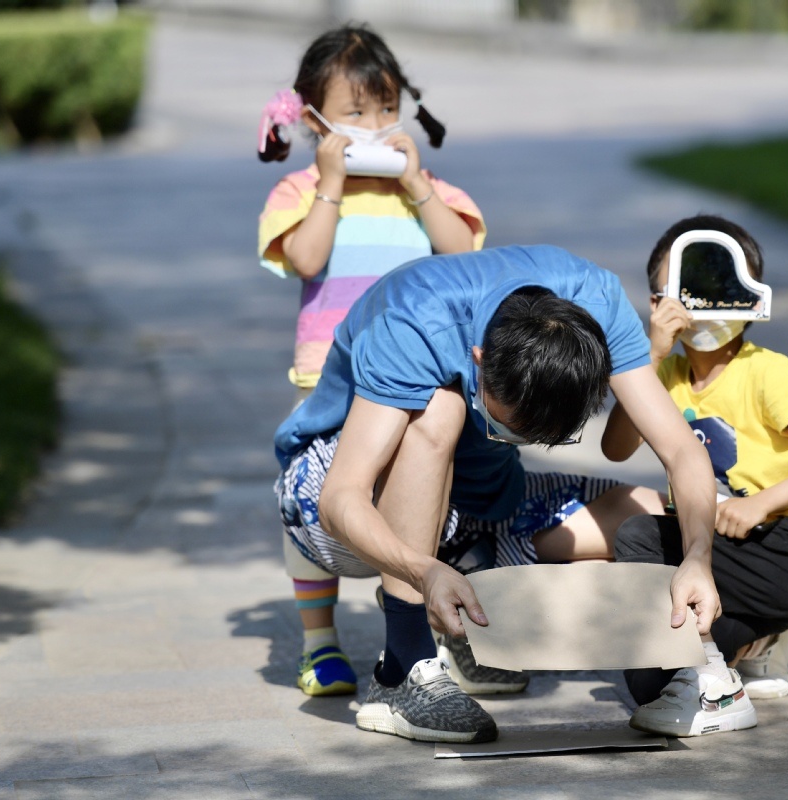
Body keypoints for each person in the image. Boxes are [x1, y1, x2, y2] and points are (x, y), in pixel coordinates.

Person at [273, 244, 722, 743]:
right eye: (513, 430)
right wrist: (422, 571)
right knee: (440, 409)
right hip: (330, 503)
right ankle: (402, 667)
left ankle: (466, 609)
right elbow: (343, 497)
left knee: (646, 512)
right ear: (480, 362)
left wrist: (699, 558)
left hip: (474, 503)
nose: (529, 443)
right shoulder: (417, 320)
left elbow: (681, 452)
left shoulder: (596, 303)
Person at [255, 24, 486, 699]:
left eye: (386, 110)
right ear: (312, 118)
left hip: (418, 380)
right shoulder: (301, 191)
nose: (375, 128)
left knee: (417, 500)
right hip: (329, 385)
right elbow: (305, 258)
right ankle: (320, 642)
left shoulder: (426, 189)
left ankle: (417, 627)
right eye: (355, 114)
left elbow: (463, 256)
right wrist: (328, 184)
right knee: (323, 502)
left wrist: (417, 185)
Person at [601, 214, 788, 738]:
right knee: (647, 686)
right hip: (716, 549)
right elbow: (615, 446)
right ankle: (753, 644)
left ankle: (739, 650)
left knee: (637, 534)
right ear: (656, 301)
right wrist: (650, 354)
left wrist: (761, 503)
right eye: (675, 292)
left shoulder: (770, 372)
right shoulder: (664, 375)